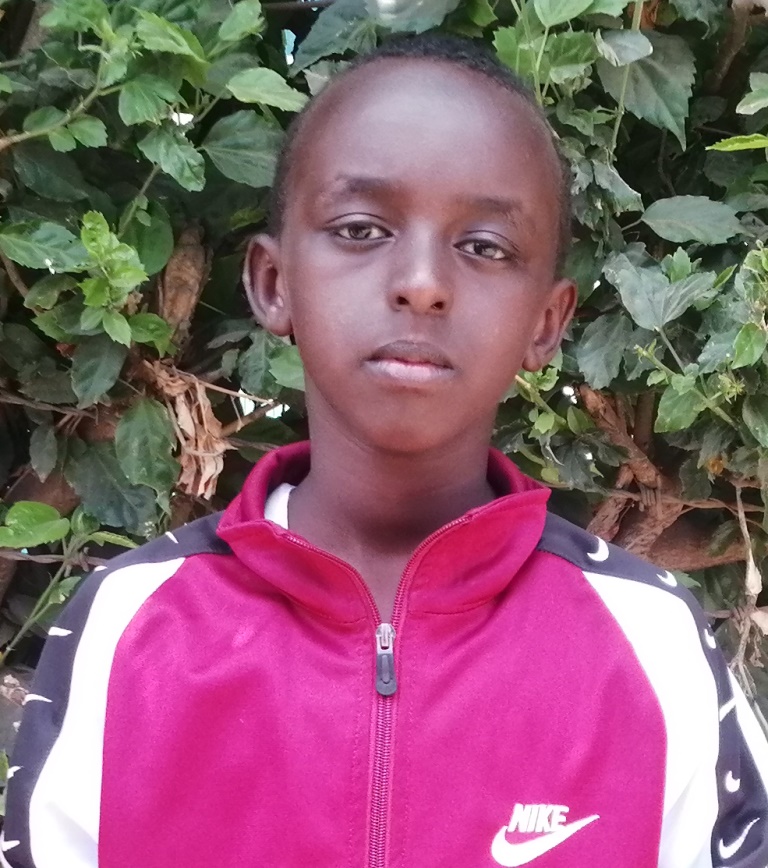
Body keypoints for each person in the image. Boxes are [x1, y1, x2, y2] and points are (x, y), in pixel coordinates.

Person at [3, 33, 768, 868]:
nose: (422, 283)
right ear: (274, 284)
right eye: (362, 229)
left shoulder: (650, 642)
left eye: (484, 246)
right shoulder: (129, 628)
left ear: (546, 323)